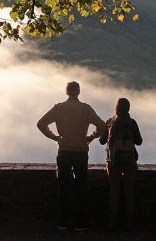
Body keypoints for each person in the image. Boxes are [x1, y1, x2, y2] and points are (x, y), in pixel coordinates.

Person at [37, 81, 106, 230]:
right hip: (81, 151)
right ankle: (81, 222)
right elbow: (102, 126)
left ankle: (62, 221)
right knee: (81, 187)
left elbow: (41, 123)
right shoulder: (85, 109)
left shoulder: (58, 108)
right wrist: (91, 137)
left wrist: (55, 137)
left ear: (66, 92)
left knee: (63, 187)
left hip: (64, 151)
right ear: (78, 92)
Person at [99, 97, 143, 230]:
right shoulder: (132, 122)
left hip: (113, 162)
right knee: (129, 191)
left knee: (114, 191)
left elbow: (102, 141)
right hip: (130, 162)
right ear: (128, 109)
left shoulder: (110, 122)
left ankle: (113, 222)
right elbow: (139, 141)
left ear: (116, 108)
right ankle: (130, 222)